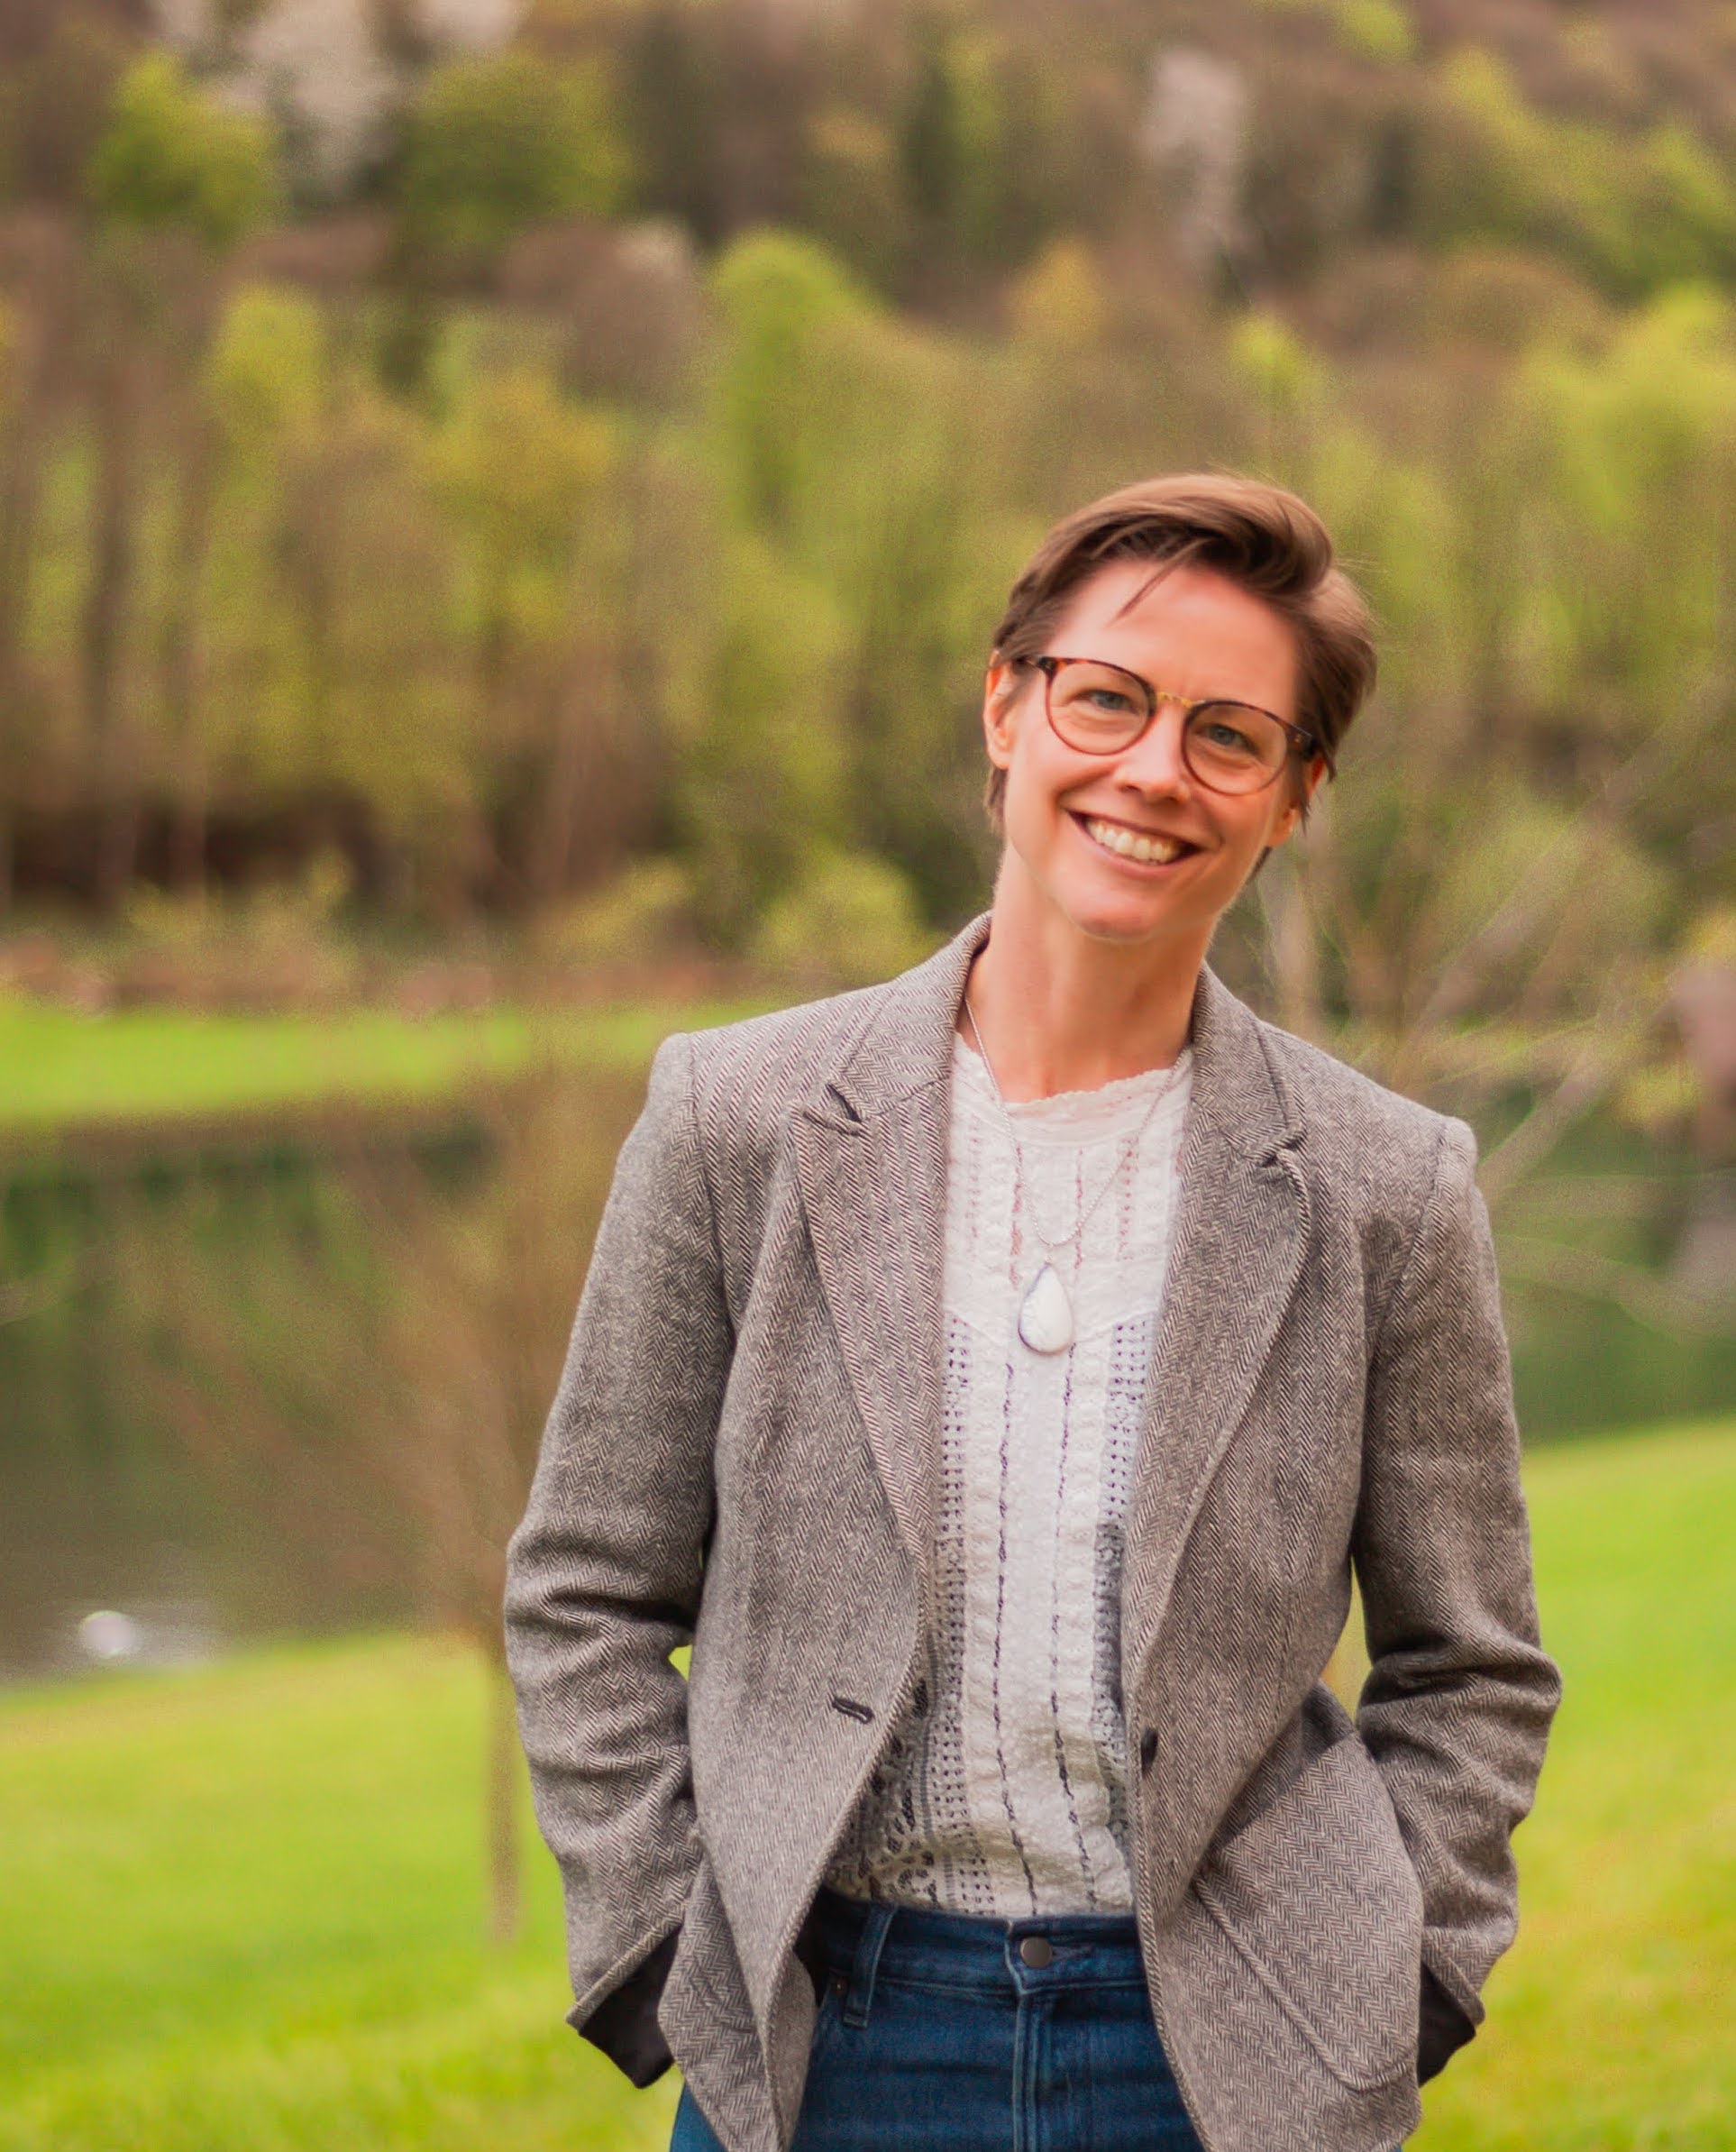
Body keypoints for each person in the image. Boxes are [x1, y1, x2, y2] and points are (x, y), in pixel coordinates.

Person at [504, 472, 1561, 2152]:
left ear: (1292, 799)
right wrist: (663, 1962)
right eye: (1107, 699)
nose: (1154, 770)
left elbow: (1470, 1667)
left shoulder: (1389, 1189)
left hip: (1227, 2064)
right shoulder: (734, 1120)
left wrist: (1387, 1985)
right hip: (817, 2043)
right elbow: (587, 1588)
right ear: (1006, 708)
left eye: (1228, 735)